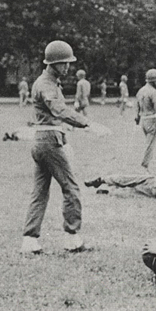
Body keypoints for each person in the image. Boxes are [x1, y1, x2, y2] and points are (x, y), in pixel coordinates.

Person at [21, 40, 92, 255]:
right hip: (48, 141)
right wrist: (87, 123)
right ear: (53, 64)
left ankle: (30, 240)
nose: (68, 67)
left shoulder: (49, 83)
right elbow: (59, 110)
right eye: (64, 63)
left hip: (44, 140)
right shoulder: (45, 85)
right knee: (71, 188)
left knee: (40, 192)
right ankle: (72, 238)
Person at [84, 170, 156, 200]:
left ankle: (103, 182)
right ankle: (105, 185)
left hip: (151, 184)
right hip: (152, 189)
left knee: (125, 182)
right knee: (128, 189)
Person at [135, 69, 156, 171]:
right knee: (150, 144)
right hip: (151, 119)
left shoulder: (140, 91)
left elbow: (137, 107)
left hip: (143, 120)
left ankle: (145, 165)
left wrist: (137, 119)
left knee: (148, 142)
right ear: (154, 81)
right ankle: (145, 166)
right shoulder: (153, 92)